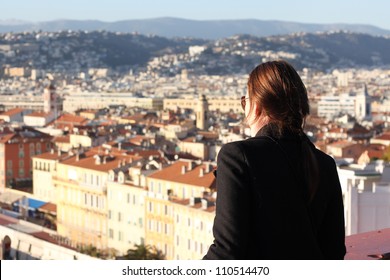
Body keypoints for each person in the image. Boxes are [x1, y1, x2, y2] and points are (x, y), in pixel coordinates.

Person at [203, 60, 346, 260]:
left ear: (257, 106)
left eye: (245, 101)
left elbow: (227, 252)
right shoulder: (325, 163)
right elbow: (334, 251)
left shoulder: (237, 156)